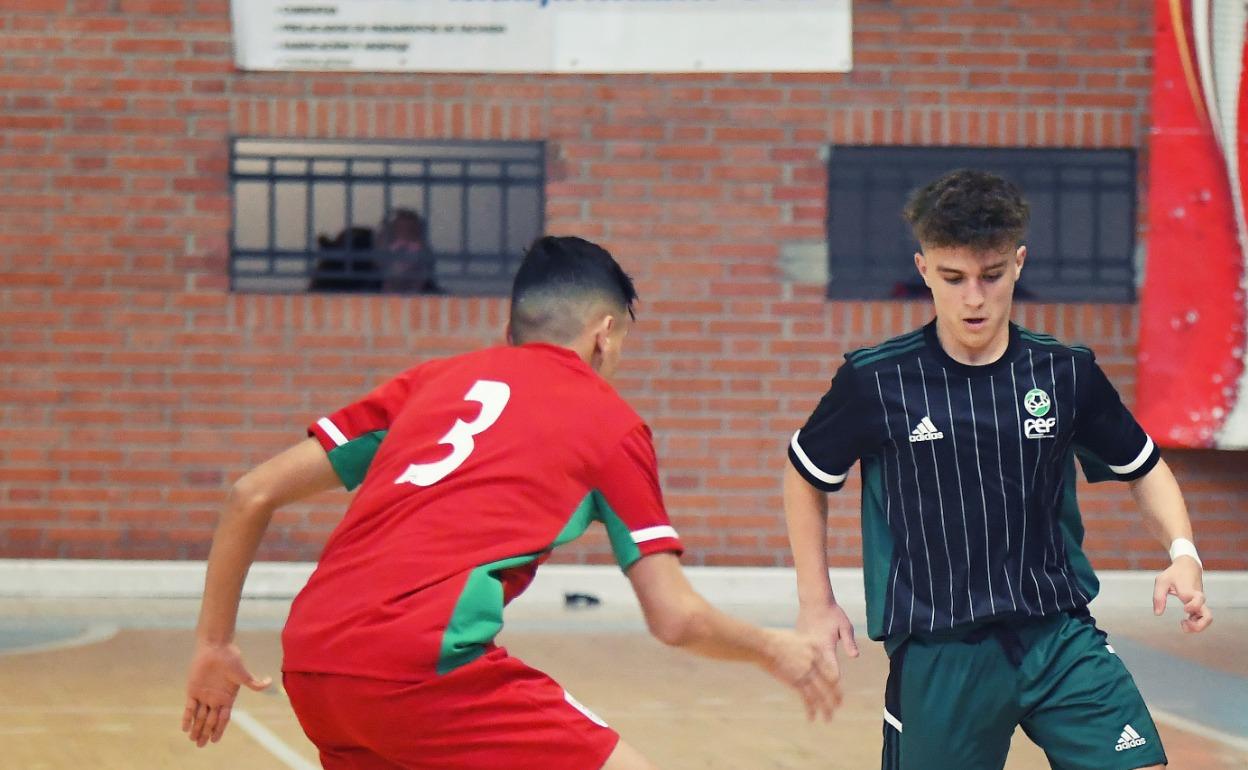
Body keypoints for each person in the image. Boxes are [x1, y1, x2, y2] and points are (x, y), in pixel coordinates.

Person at [184, 235, 841, 770]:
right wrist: (772, 649)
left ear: (512, 326)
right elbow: (675, 618)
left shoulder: (430, 382)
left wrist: (214, 646)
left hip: (313, 663)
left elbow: (252, 493)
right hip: (421, 667)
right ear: (604, 336)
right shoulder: (610, 423)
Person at [783, 169, 1212, 770]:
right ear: (924, 268)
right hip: (940, 652)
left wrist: (1184, 552)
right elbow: (805, 474)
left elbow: (1144, 467)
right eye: (953, 278)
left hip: (1057, 636)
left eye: (990, 276)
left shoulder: (1065, 374)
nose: (974, 298)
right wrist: (815, 601)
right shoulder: (876, 380)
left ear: (1018, 264)